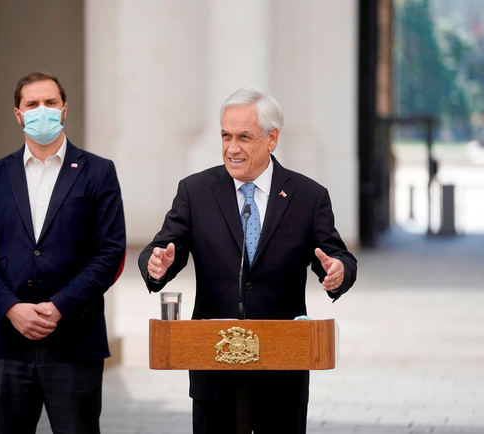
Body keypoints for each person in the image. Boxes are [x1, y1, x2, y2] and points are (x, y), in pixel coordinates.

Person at [138, 88, 357, 434]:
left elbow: (336, 255)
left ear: (272, 138)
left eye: (244, 137)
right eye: (225, 136)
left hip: (282, 372)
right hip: (214, 367)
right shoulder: (195, 191)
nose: (232, 148)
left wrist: (339, 271)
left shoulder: (308, 196)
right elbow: (163, 248)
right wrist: (156, 264)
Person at [0, 71, 126, 434]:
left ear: (64, 109)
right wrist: (11, 308)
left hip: (74, 340)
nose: (42, 111)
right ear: (18, 114)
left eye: (50, 103)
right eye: (32, 104)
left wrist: (59, 307)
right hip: (5, 343)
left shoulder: (98, 172)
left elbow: (110, 253)